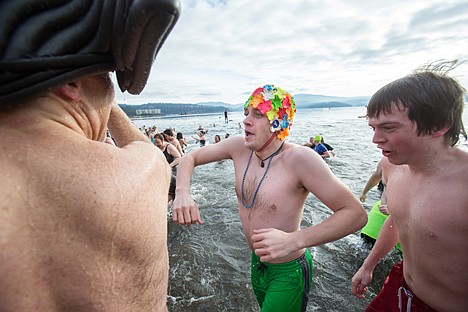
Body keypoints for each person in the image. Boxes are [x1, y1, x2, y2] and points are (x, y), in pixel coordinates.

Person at [0, 1, 180, 311]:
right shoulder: (138, 173)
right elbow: (154, 158)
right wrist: (105, 103)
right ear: (70, 83)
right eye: (107, 76)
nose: (112, 90)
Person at [172, 84, 367, 312]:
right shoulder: (239, 147)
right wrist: (182, 193)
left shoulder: (299, 159)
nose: (245, 120)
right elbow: (191, 157)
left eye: (257, 114)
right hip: (258, 265)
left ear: (277, 122)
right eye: (246, 113)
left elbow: (355, 214)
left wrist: (295, 240)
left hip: (289, 271)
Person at [351, 61, 468, 312]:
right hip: (400, 288)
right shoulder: (392, 167)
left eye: (388, 127)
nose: (375, 139)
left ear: (439, 126)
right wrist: (369, 265)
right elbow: (398, 219)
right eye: (373, 127)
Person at [359, 158, 401, 251]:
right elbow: (376, 176)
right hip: (381, 216)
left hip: (403, 221)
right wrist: (364, 192)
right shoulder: (386, 161)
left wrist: (396, 210)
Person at [154, 133, 181, 202]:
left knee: (173, 186)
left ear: (162, 140)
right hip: (161, 172)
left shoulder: (169, 147)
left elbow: (178, 158)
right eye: (155, 143)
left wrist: (169, 166)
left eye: (158, 143)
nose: (156, 145)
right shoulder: (156, 148)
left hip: (172, 170)